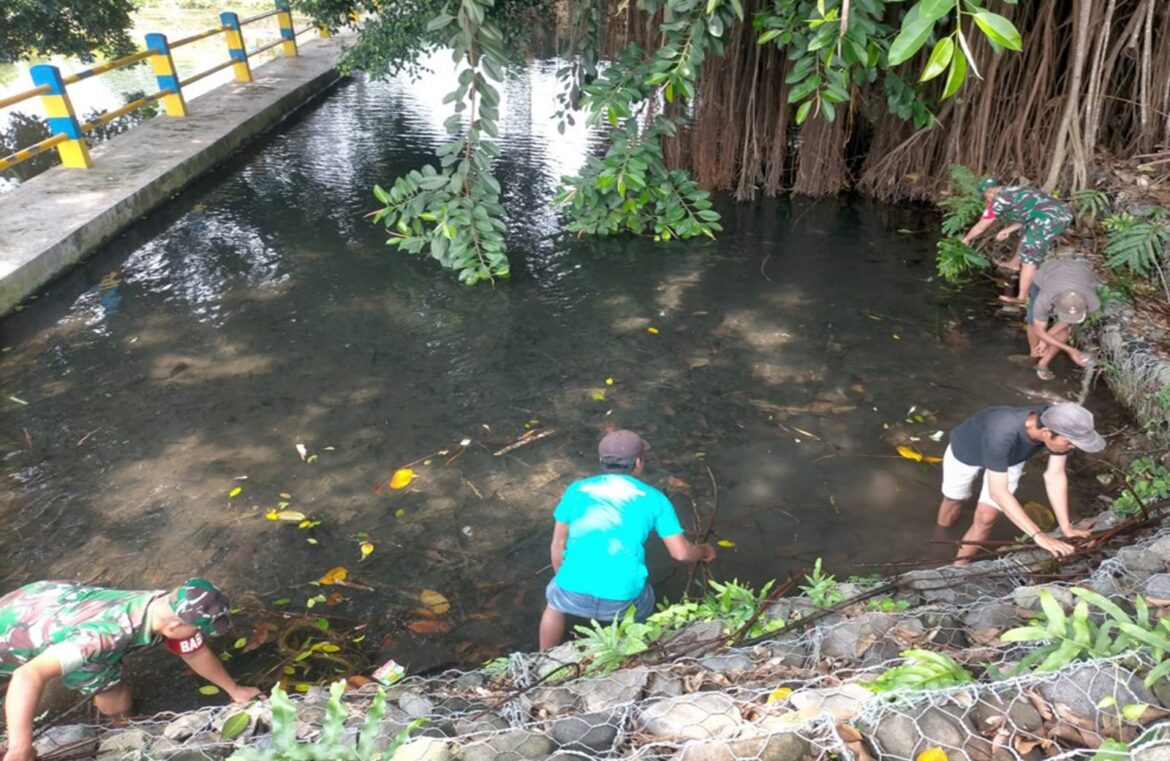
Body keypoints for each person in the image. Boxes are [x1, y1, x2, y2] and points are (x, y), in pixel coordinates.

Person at [0, 579, 260, 761]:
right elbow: (28, 675)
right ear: (173, 627)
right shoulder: (103, 638)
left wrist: (234, 690)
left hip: (40, 602)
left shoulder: (163, 603)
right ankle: (120, 728)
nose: (200, 634)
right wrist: (20, 749)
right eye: (199, 629)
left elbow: (195, 651)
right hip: (16, 632)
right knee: (110, 686)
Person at [539, 429, 716, 649]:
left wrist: (565, 580)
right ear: (639, 462)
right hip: (622, 602)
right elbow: (681, 553)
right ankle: (635, 649)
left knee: (553, 605)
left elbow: (558, 544)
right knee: (645, 602)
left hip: (571, 594)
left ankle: (543, 656)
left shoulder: (577, 490)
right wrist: (704, 551)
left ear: (602, 461)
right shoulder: (655, 499)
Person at [934, 403, 1105, 565]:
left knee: (986, 518)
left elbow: (1055, 475)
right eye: (1070, 443)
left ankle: (959, 566)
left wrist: (1066, 527)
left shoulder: (1059, 421)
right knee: (953, 499)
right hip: (967, 450)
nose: (1072, 447)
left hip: (1011, 457)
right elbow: (998, 493)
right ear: (1046, 433)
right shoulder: (1002, 431)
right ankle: (941, 534)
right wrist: (1039, 536)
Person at [961, 178, 1074, 305]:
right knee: (1027, 234)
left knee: (1030, 256)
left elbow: (982, 225)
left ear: (989, 193)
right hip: (1059, 212)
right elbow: (1030, 213)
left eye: (985, 197)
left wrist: (966, 239)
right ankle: (1014, 263)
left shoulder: (998, 201)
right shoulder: (1017, 190)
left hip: (1050, 219)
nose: (986, 200)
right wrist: (1008, 230)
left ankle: (1021, 298)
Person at [1026, 258, 1100, 381]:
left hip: (1081, 275)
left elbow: (1065, 323)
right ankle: (1034, 353)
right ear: (1057, 305)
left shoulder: (1093, 303)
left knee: (1064, 331)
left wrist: (1046, 340)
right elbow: (1038, 329)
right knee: (1032, 321)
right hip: (1045, 277)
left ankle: (1043, 363)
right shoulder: (1044, 299)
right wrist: (1070, 350)